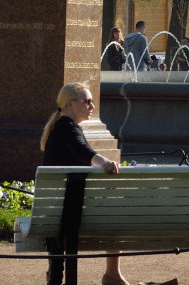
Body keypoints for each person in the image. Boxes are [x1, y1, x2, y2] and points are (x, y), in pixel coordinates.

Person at [40, 82, 126, 285]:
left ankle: (59, 274)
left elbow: (79, 151)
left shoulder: (60, 127)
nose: (92, 106)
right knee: (115, 219)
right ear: (69, 105)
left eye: (92, 102)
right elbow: (82, 151)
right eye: (86, 101)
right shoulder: (67, 128)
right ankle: (113, 274)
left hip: (57, 216)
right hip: (71, 217)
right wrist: (104, 162)